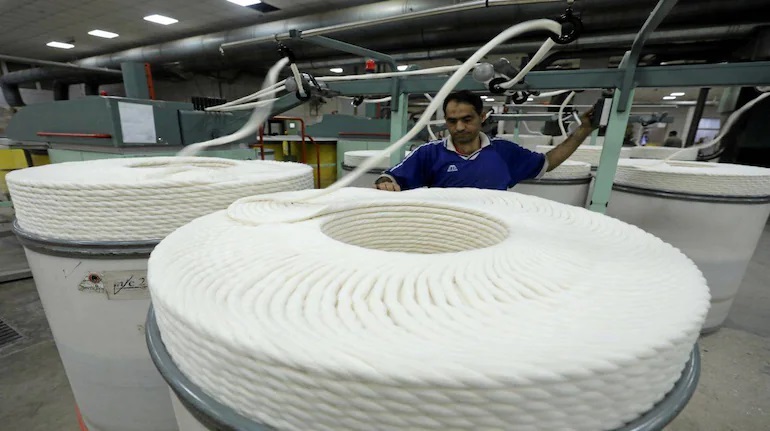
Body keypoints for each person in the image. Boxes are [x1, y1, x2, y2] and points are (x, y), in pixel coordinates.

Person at [375, 90, 597, 191]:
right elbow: (391, 176)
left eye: (467, 119)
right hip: (445, 232)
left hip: (493, 234)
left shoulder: (504, 152)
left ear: (482, 117)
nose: (459, 127)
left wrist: (583, 130)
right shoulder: (429, 153)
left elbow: (548, 162)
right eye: (452, 121)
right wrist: (385, 182)